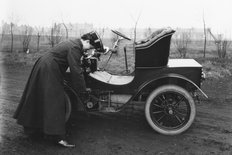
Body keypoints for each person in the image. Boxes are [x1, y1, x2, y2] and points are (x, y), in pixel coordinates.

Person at [13, 31, 105, 148]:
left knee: (38, 95)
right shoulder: (75, 47)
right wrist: (83, 92)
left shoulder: (74, 43)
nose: (89, 50)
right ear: (86, 41)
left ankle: (31, 130)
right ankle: (57, 137)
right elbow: (76, 72)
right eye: (90, 47)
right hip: (49, 68)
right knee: (56, 100)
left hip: (44, 64)